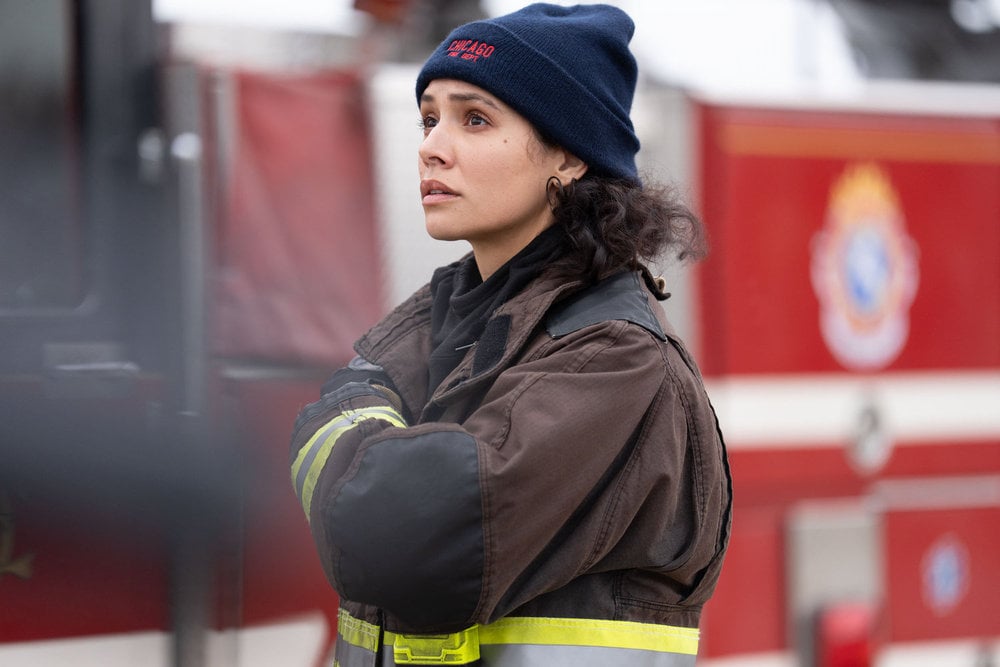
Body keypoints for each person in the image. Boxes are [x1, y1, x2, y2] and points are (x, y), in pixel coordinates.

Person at [289, 3, 732, 665]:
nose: (431, 146)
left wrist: (352, 412)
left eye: (475, 119)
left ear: (569, 155)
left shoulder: (614, 358)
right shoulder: (450, 320)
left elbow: (400, 542)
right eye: (429, 119)